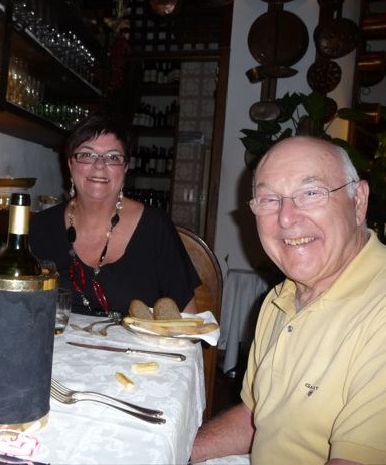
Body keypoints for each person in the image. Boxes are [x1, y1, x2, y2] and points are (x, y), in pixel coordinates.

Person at [190, 137, 386, 464]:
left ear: (359, 201)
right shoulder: (280, 298)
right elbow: (256, 418)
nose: (286, 218)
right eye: (269, 199)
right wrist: (173, 452)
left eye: (311, 193)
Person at [29, 113, 199, 316]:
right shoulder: (43, 226)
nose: (99, 165)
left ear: (126, 168)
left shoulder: (155, 227)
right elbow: (25, 310)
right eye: (87, 154)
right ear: (70, 164)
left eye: (113, 157)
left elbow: (189, 319)